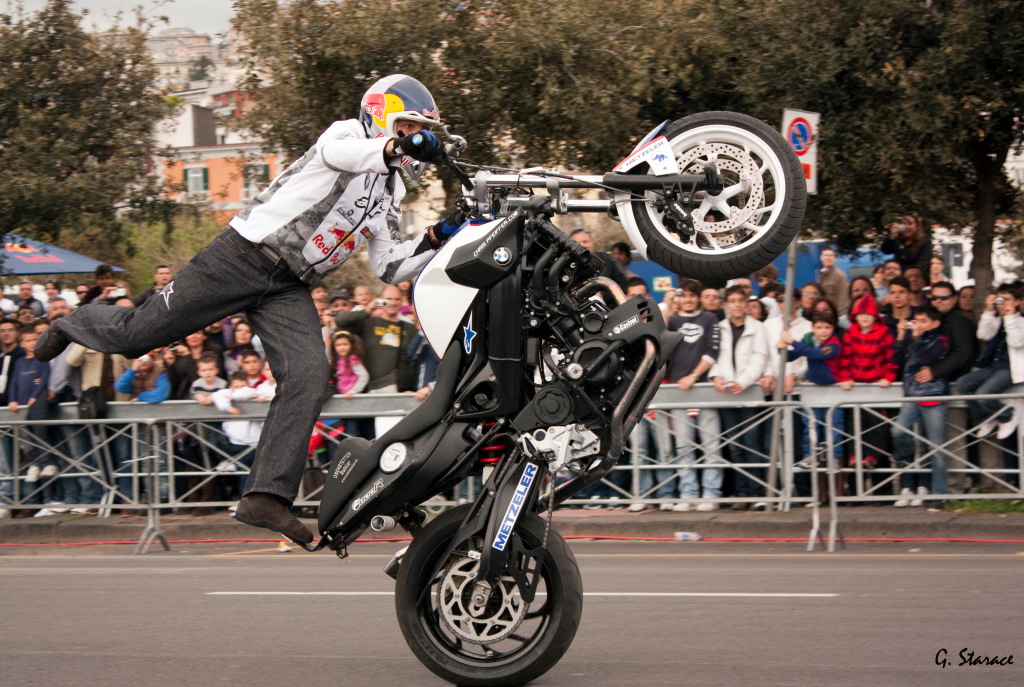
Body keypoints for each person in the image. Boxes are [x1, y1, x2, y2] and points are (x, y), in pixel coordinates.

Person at [34, 74, 461, 545]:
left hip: (290, 286)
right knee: (137, 338)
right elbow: (340, 155)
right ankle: (71, 322)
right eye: (406, 127)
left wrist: (444, 232)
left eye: (418, 131)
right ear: (380, 115)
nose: (412, 139)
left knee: (308, 375)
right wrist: (395, 147)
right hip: (241, 257)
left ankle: (265, 496)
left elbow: (390, 267)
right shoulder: (346, 135)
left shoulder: (391, 192)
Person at [662, 278, 723, 512]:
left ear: (698, 298)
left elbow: (712, 351)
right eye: (684, 296)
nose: (688, 300)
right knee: (682, 447)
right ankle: (688, 493)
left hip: (704, 389)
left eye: (692, 295)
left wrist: (694, 376)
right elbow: (660, 340)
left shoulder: (709, 318)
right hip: (677, 390)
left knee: (711, 445)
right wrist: (668, 307)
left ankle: (711, 493)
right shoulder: (673, 320)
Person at [709, 285, 770, 509]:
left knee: (752, 444)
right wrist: (715, 375)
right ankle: (742, 492)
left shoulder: (758, 327)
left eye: (740, 300)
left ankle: (757, 492)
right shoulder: (719, 327)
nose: (736, 304)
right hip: (726, 393)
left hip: (749, 392)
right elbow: (714, 355)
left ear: (746, 304)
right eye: (732, 300)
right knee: (734, 445)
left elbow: (760, 358)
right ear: (726, 304)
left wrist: (744, 381)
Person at [891, 306, 951, 508]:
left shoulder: (941, 340)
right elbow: (896, 360)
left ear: (935, 323)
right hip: (911, 395)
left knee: (936, 447)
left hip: (934, 396)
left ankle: (939, 494)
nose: (919, 325)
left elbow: (927, 358)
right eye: (916, 321)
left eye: (924, 321)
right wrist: (901, 337)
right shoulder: (913, 338)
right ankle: (908, 478)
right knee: (898, 432)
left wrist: (916, 339)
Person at [837, 295, 897, 471]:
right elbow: (845, 358)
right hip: (856, 386)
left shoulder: (883, 332)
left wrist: (889, 377)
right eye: (860, 314)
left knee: (876, 423)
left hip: (876, 385)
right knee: (854, 422)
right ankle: (854, 455)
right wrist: (845, 377)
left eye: (868, 314)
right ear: (854, 316)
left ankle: (873, 456)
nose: (864, 317)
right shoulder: (851, 333)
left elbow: (891, 358)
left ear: (875, 316)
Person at [958, 284, 1024, 439]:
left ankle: (1008, 415)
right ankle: (988, 417)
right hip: (993, 365)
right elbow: (983, 335)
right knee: (963, 384)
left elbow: (1016, 342)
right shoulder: (998, 319)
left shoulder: (1020, 321)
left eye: (1007, 299)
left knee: (983, 395)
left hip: (1011, 369)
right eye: (1000, 299)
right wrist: (989, 311)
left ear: (1017, 302)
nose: (1003, 303)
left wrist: (1010, 316)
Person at [817, 248, 849, 316]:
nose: (828, 258)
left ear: (835, 259)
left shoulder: (840, 276)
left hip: (836, 316)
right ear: (821, 257)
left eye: (831, 255)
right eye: (826, 255)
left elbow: (843, 300)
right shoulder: (821, 274)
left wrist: (837, 316)